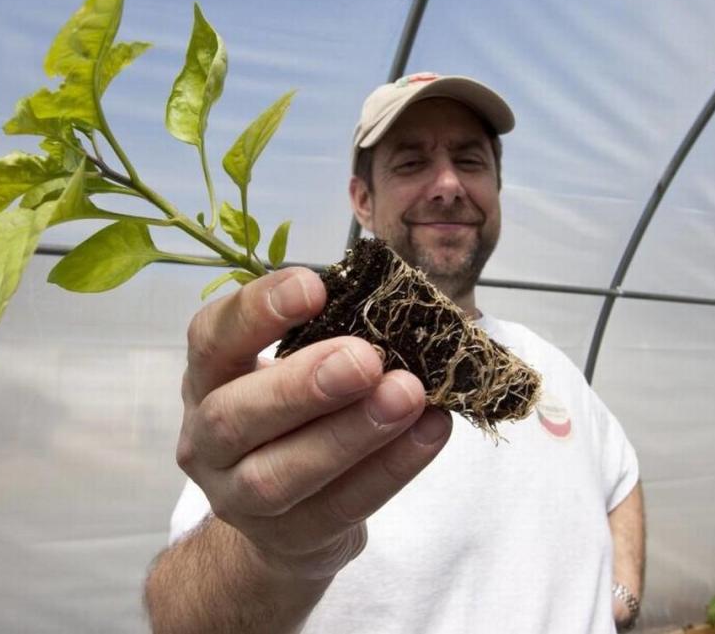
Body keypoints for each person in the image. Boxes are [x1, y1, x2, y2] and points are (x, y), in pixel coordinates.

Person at [144, 72, 645, 633]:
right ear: (362, 199)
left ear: (498, 188)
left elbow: (622, 477)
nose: (449, 184)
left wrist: (619, 596)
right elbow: (181, 620)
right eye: (411, 163)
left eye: (471, 160)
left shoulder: (545, 364)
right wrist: (278, 553)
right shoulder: (303, 384)